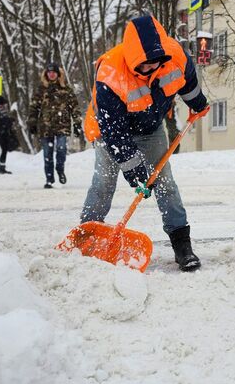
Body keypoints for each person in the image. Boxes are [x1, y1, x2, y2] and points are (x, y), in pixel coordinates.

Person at [80, 15, 208, 272]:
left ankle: (182, 244)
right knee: (104, 183)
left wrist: (197, 103)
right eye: (143, 66)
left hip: (150, 129)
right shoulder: (111, 72)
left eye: (155, 65)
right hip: (109, 134)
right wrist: (134, 170)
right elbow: (114, 131)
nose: (150, 70)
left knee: (165, 183)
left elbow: (188, 80)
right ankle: (86, 236)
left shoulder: (174, 55)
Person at [29, 62, 82, 189]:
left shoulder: (66, 89)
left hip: (62, 126)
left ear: (58, 74)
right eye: (49, 72)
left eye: (53, 72)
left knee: (61, 149)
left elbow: (74, 107)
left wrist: (77, 123)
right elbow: (34, 107)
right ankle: (49, 179)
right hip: (45, 127)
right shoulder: (41, 89)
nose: (51, 74)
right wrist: (32, 122)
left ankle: (60, 169)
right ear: (46, 74)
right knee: (47, 154)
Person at [0, 96, 18, 174]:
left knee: (4, 149)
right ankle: (2, 168)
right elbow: (6, 122)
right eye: (6, 103)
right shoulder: (3, 111)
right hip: (2, 133)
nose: (6, 105)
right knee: (4, 149)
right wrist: (12, 120)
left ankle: (2, 167)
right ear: (4, 104)